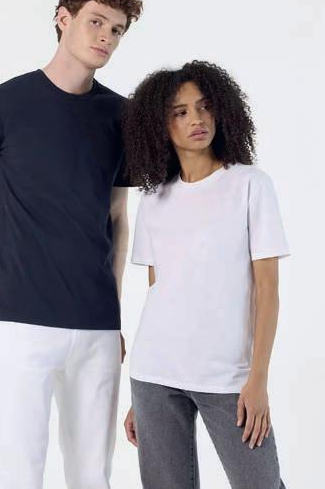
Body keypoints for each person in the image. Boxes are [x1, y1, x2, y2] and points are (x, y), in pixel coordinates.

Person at [0, 0, 142, 489]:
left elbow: (117, 218)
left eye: (116, 30)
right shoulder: (4, 105)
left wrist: (113, 312)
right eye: (96, 22)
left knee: (93, 476)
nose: (106, 37)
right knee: (20, 473)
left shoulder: (120, 116)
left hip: (97, 326)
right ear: (63, 19)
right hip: (23, 323)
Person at [122, 61, 289, 489]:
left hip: (229, 378)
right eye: (180, 112)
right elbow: (158, 290)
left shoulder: (250, 185)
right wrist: (140, 400)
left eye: (204, 106)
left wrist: (258, 379)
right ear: (160, 126)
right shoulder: (154, 199)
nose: (196, 119)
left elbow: (267, 290)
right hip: (155, 374)